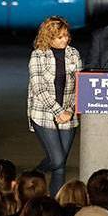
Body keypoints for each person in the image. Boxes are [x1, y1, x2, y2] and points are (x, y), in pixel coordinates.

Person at [27, 16, 82, 197]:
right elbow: (38, 88)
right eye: (60, 37)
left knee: (60, 165)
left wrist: (70, 110)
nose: (65, 40)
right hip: (43, 113)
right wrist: (59, 111)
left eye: (66, 36)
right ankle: (31, 177)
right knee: (57, 160)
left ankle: (56, 202)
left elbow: (80, 86)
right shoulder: (38, 55)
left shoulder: (74, 53)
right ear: (49, 37)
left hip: (68, 114)